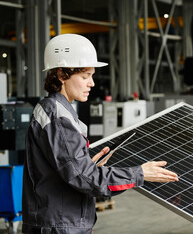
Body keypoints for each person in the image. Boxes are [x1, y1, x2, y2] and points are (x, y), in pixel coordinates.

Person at [22, 33, 179, 234]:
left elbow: (71, 172)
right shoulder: (59, 118)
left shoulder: (58, 112)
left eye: (92, 76)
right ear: (61, 75)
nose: (92, 83)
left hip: (61, 223)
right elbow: (85, 178)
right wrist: (139, 173)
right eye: (85, 76)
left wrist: (88, 164)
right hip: (59, 227)